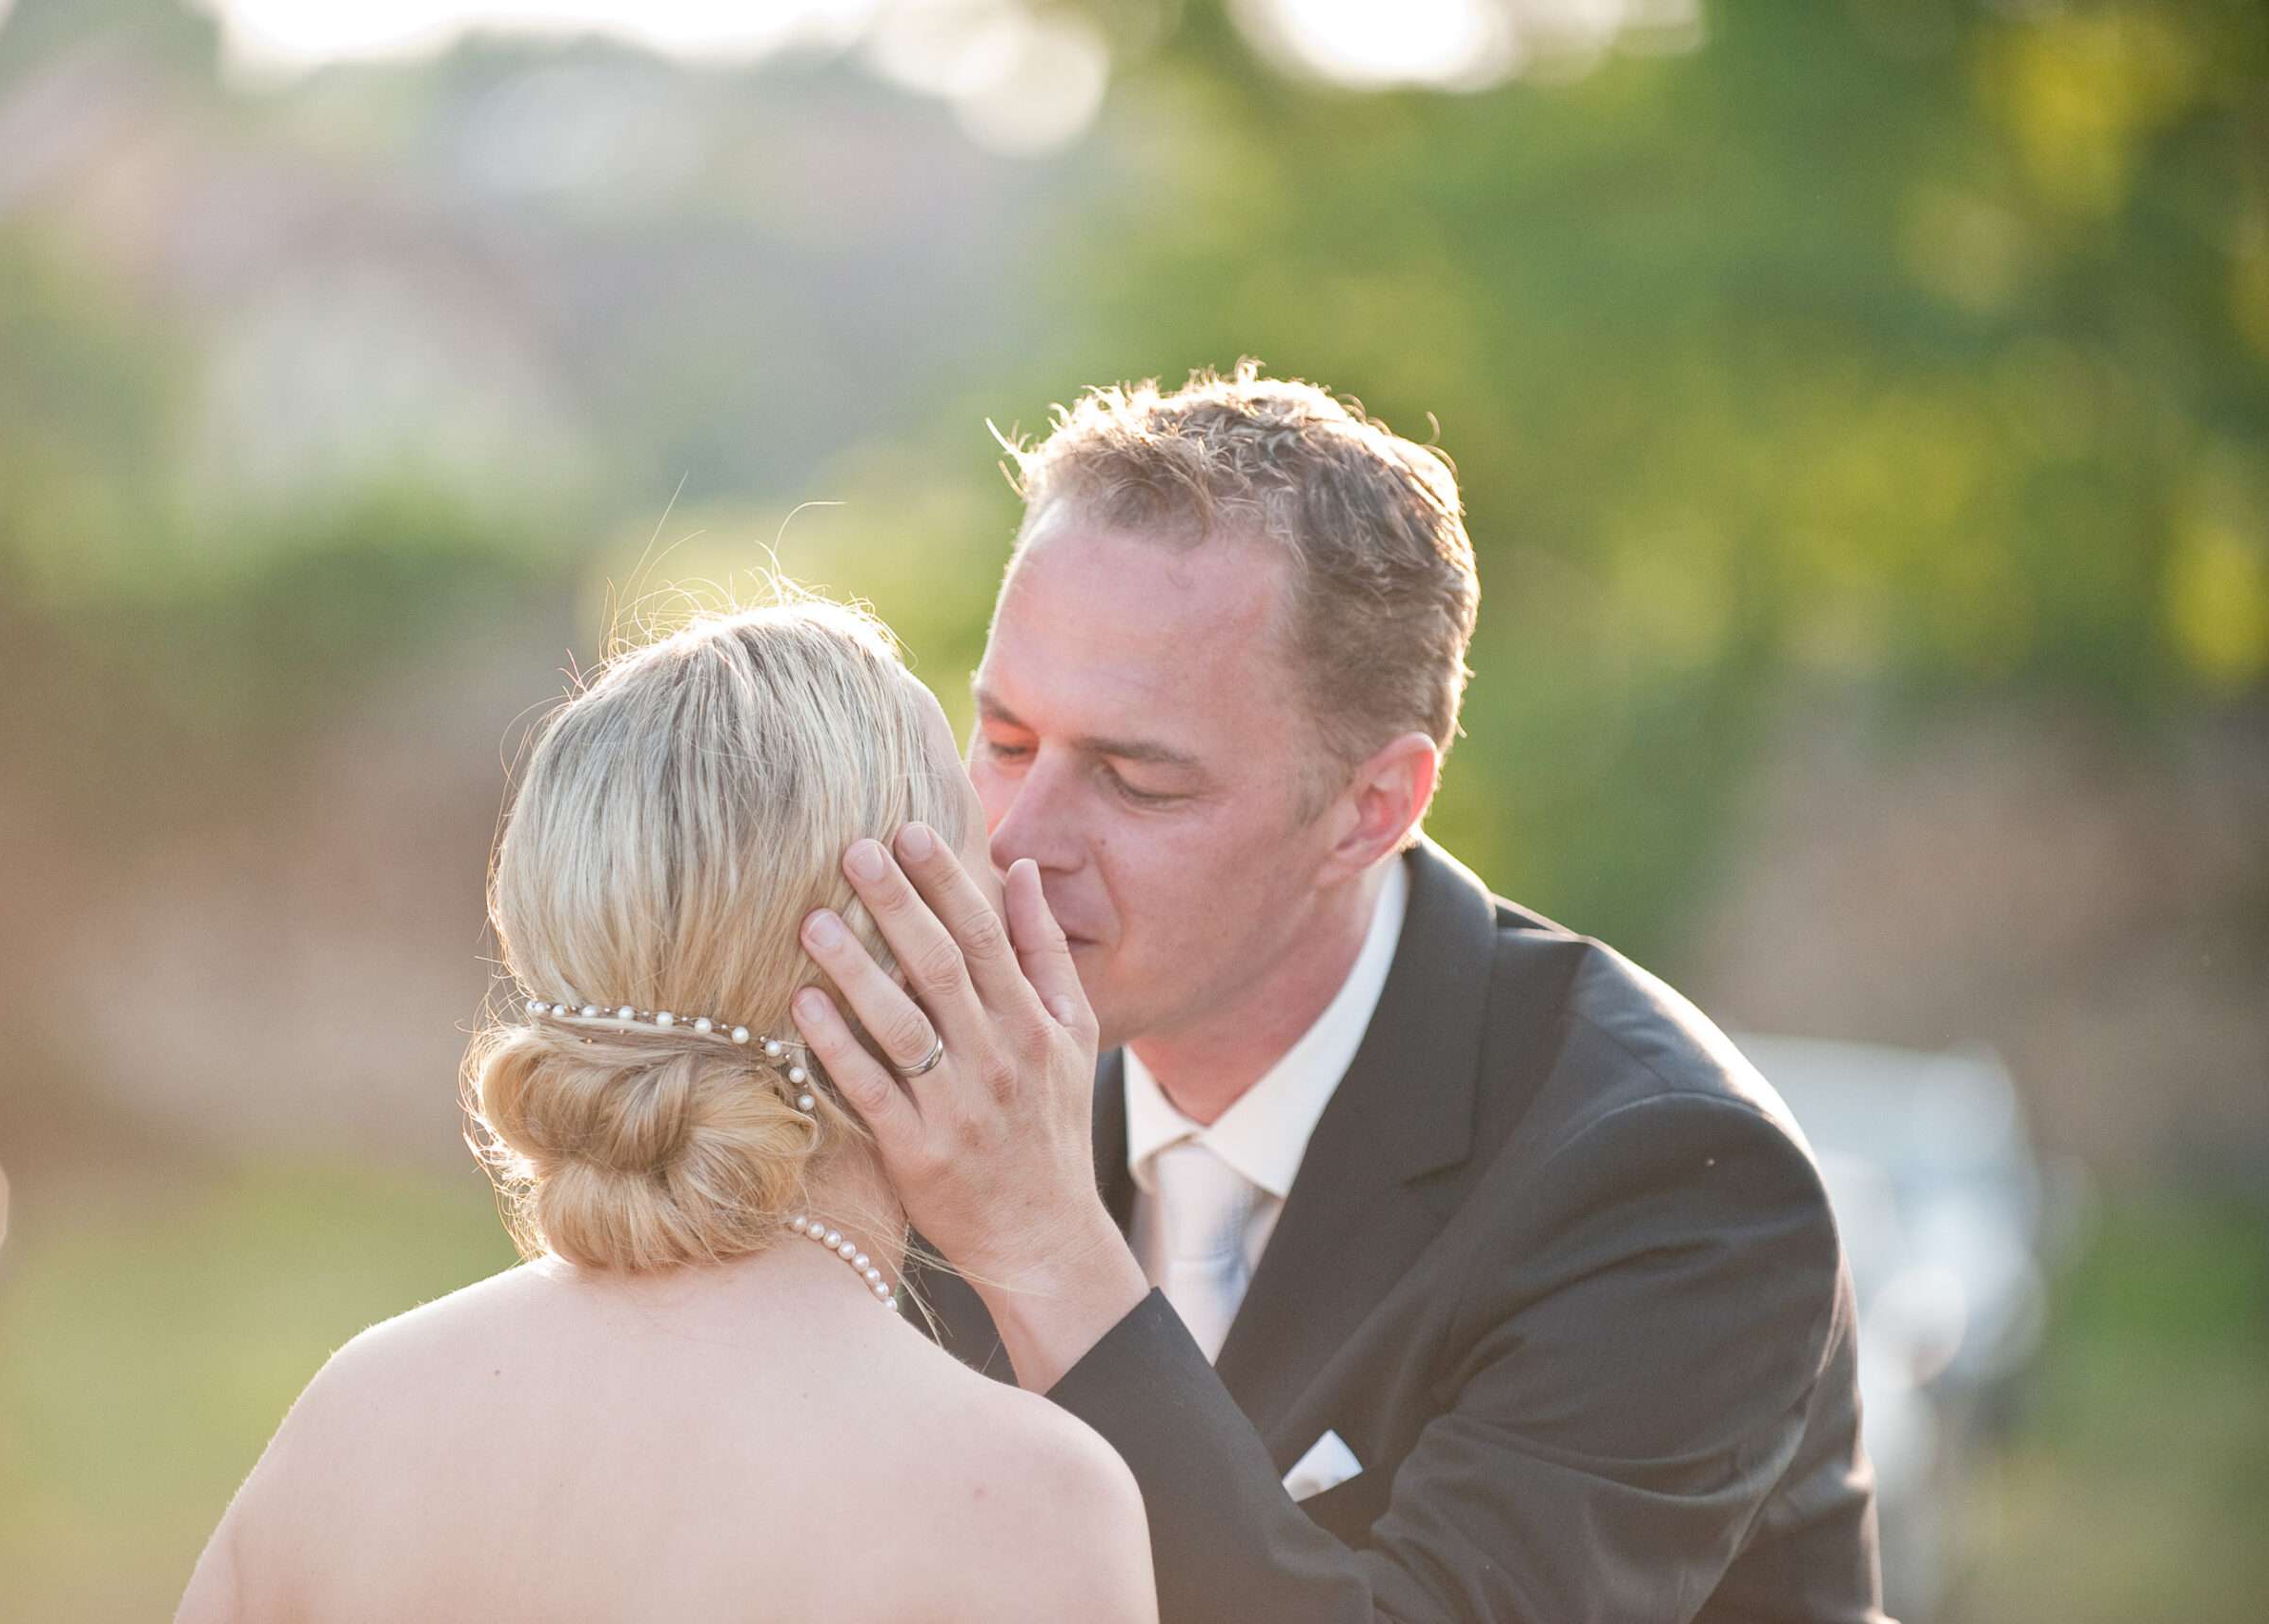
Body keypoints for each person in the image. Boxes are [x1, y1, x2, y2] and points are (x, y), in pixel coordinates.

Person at [789, 365, 1889, 1622]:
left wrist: (1044, 1247)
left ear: (1371, 808)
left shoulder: (1674, 1188)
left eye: (1137, 781)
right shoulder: (935, 1078)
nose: (1017, 841)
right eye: (1004, 741)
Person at [173, 599, 1156, 1624]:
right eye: (976, 841)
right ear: (911, 957)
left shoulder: (355, 1417)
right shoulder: (1022, 1502)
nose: (1016, 871)